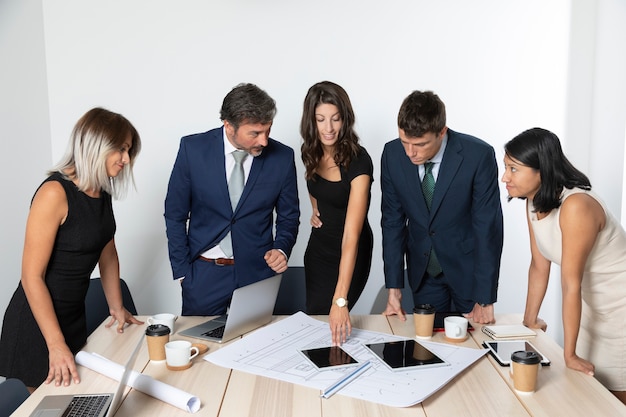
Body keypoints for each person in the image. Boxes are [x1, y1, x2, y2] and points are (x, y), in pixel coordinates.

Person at [0, 108, 143, 390]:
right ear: (96, 145)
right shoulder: (54, 193)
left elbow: (108, 253)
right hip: (37, 325)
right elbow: (32, 277)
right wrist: (54, 344)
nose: (126, 160)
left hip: (72, 317)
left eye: (128, 151)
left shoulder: (101, 192)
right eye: (121, 149)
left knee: (78, 402)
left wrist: (117, 308)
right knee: (52, 407)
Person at [502, 127, 626, 404]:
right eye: (506, 167)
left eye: (513, 169)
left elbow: (571, 283)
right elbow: (538, 265)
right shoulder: (535, 200)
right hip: (593, 310)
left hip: (621, 312)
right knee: (588, 395)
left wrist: (568, 354)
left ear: (541, 170)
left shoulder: (577, 206)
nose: (504, 177)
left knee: (616, 400)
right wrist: (529, 320)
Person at [164, 83, 300, 316]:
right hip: (204, 274)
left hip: (257, 275)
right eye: (255, 133)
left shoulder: (282, 157)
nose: (264, 141)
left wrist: (282, 249)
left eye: (268, 131)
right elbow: (175, 215)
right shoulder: (192, 149)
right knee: (202, 349)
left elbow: (289, 217)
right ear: (228, 126)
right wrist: (183, 272)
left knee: (256, 349)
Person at [381, 90, 503, 324]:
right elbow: (392, 222)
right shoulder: (392, 154)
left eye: (420, 144)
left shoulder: (478, 156)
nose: (410, 152)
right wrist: (394, 289)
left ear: (442, 132)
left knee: (472, 347)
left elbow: (487, 227)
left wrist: (485, 298)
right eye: (405, 141)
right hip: (424, 273)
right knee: (428, 350)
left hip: (469, 274)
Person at [300, 81, 373, 345]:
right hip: (319, 250)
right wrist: (316, 209)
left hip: (351, 250)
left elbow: (351, 235)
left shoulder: (359, 162)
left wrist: (340, 299)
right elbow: (313, 184)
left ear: (345, 119)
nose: (328, 128)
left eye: (335, 119)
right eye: (320, 120)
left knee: (338, 321)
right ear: (311, 120)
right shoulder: (309, 151)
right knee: (316, 322)